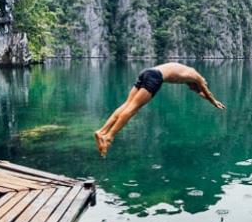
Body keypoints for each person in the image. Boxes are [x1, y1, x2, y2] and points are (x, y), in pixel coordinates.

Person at [94, 62, 225, 157]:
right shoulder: (198, 77)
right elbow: (206, 92)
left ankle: (102, 131)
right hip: (155, 77)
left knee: (127, 104)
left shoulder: (188, 74)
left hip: (147, 72)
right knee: (133, 108)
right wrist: (214, 102)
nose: (194, 89)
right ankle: (109, 137)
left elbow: (200, 93)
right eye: (199, 86)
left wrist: (208, 97)